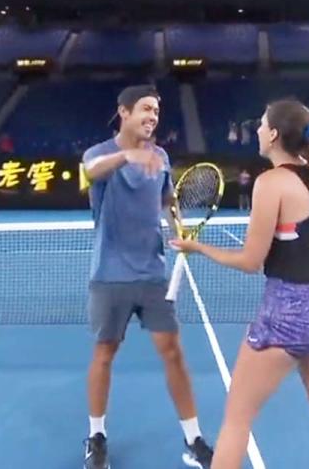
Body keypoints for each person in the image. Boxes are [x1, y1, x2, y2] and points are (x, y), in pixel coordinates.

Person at [171, 98, 309, 469]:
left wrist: (199, 247)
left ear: (273, 134)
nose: (256, 130)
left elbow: (250, 262)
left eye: (261, 124)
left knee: (237, 419)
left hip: (285, 317)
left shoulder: (272, 183)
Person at [81, 85, 214, 469]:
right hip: (110, 275)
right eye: (145, 109)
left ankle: (193, 439)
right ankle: (96, 436)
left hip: (153, 274)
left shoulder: (161, 157)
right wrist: (127, 156)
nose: (152, 116)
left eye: (156, 110)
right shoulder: (99, 154)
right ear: (123, 112)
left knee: (173, 353)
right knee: (104, 354)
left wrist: (179, 226)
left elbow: (168, 200)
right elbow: (89, 174)